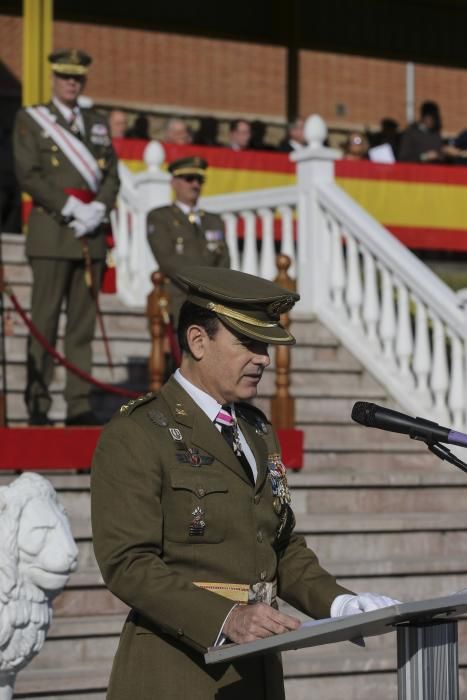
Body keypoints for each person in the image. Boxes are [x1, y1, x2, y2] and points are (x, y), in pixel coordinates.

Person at [91, 265, 399, 700]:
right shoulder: (140, 433)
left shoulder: (255, 429)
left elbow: (280, 544)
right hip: (177, 670)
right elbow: (128, 563)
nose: (263, 358)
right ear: (198, 341)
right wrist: (226, 618)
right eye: (248, 343)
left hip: (258, 669)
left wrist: (339, 604)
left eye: (265, 344)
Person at [13, 48, 119, 425]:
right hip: (53, 232)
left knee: (81, 326)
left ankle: (78, 404)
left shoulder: (96, 122)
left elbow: (111, 176)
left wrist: (97, 210)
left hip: (89, 236)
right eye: (65, 76)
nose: (71, 83)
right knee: (43, 322)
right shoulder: (32, 120)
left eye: (77, 77)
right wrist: (70, 207)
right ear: (54, 79)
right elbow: (28, 173)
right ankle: (38, 404)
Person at [146, 156, 230, 325]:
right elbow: (167, 259)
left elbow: (224, 259)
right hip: (179, 298)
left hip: (213, 301)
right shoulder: (161, 217)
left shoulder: (213, 220)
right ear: (174, 182)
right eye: (189, 179)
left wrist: (215, 291)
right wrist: (200, 287)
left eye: (200, 180)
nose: (195, 185)